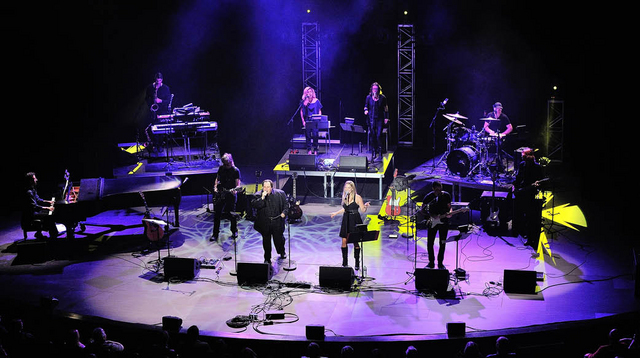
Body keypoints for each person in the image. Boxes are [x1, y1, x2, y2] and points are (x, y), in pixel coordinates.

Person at [330, 181, 370, 269]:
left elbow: (363, 210)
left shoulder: (357, 197)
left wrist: (366, 206)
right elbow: (345, 208)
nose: (346, 189)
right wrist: (335, 213)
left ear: (352, 188)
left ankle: (357, 262)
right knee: (344, 241)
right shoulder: (344, 197)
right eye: (345, 187)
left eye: (348, 187)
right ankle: (344, 262)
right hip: (346, 219)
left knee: (355, 242)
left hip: (355, 219)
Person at [512, 148, 545, 249]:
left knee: (531, 217)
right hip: (521, 193)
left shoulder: (537, 167)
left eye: (523, 156)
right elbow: (518, 178)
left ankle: (532, 239)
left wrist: (535, 186)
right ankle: (522, 232)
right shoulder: (522, 165)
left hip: (530, 194)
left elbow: (540, 182)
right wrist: (515, 187)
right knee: (521, 214)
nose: (522, 158)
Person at [252, 179, 289, 264]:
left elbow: (286, 205)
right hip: (265, 223)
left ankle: (281, 251)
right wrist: (262, 198)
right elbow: (255, 205)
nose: (266, 189)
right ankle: (267, 258)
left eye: (268, 187)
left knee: (279, 239)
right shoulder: (257, 195)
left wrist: (284, 212)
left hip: (277, 221)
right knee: (266, 241)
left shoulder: (280, 194)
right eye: (264, 187)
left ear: (272, 187)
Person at [421, 181, 452, 269]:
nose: (439, 191)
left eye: (440, 189)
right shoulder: (429, 197)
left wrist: (450, 213)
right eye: (437, 190)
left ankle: (440, 262)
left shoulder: (446, 195)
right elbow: (422, 210)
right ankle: (431, 262)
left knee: (442, 242)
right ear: (433, 189)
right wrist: (430, 216)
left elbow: (450, 207)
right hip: (432, 222)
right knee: (430, 242)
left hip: (444, 222)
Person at [211, 153, 242, 242]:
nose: (227, 166)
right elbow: (217, 178)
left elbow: (238, 185)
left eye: (228, 164)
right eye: (225, 164)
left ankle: (234, 231)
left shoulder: (236, 170)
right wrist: (215, 187)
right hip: (221, 194)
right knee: (217, 214)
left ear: (231, 162)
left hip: (230, 195)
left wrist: (235, 191)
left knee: (232, 214)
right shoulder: (221, 168)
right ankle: (215, 234)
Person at [22, 172, 57, 239]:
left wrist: (49, 201)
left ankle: (41, 233)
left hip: (34, 211)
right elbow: (34, 206)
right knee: (49, 216)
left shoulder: (32, 189)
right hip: (31, 214)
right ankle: (53, 236)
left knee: (49, 214)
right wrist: (47, 208)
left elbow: (38, 199)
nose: (36, 180)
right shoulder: (28, 192)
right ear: (30, 181)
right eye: (34, 178)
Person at [482, 102, 512, 172]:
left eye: (500, 109)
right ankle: (485, 163)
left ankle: (499, 164)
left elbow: (510, 128)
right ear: (494, 108)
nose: (499, 110)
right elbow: (485, 127)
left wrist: (503, 134)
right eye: (498, 109)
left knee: (498, 146)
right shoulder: (490, 115)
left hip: (500, 136)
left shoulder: (504, 117)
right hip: (491, 135)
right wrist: (491, 132)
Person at [364, 82, 389, 161]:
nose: (374, 90)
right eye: (373, 89)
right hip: (371, 119)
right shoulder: (368, 97)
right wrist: (366, 110)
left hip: (379, 119)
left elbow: (386, 109)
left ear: (378, 89)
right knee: (372, 135)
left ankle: (380, 153)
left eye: (376, 89)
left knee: (378, 135)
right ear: (371, 89)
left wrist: (386, 118)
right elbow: (365, 106)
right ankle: (374, 152)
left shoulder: (382, 97)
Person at [300, 87, 323, 155]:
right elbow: (301, 111)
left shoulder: (316, 101)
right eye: (308, 91)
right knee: (308, 135)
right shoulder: (304, 102)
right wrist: (303, 121)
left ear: (312, 93)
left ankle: (315, 149)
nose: (309, 93)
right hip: (307, 120)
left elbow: (319, 110)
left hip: (315, 121)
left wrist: (319, 118)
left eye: (310, 91)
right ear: (305, 93)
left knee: (315, 135)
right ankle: (309, 149)